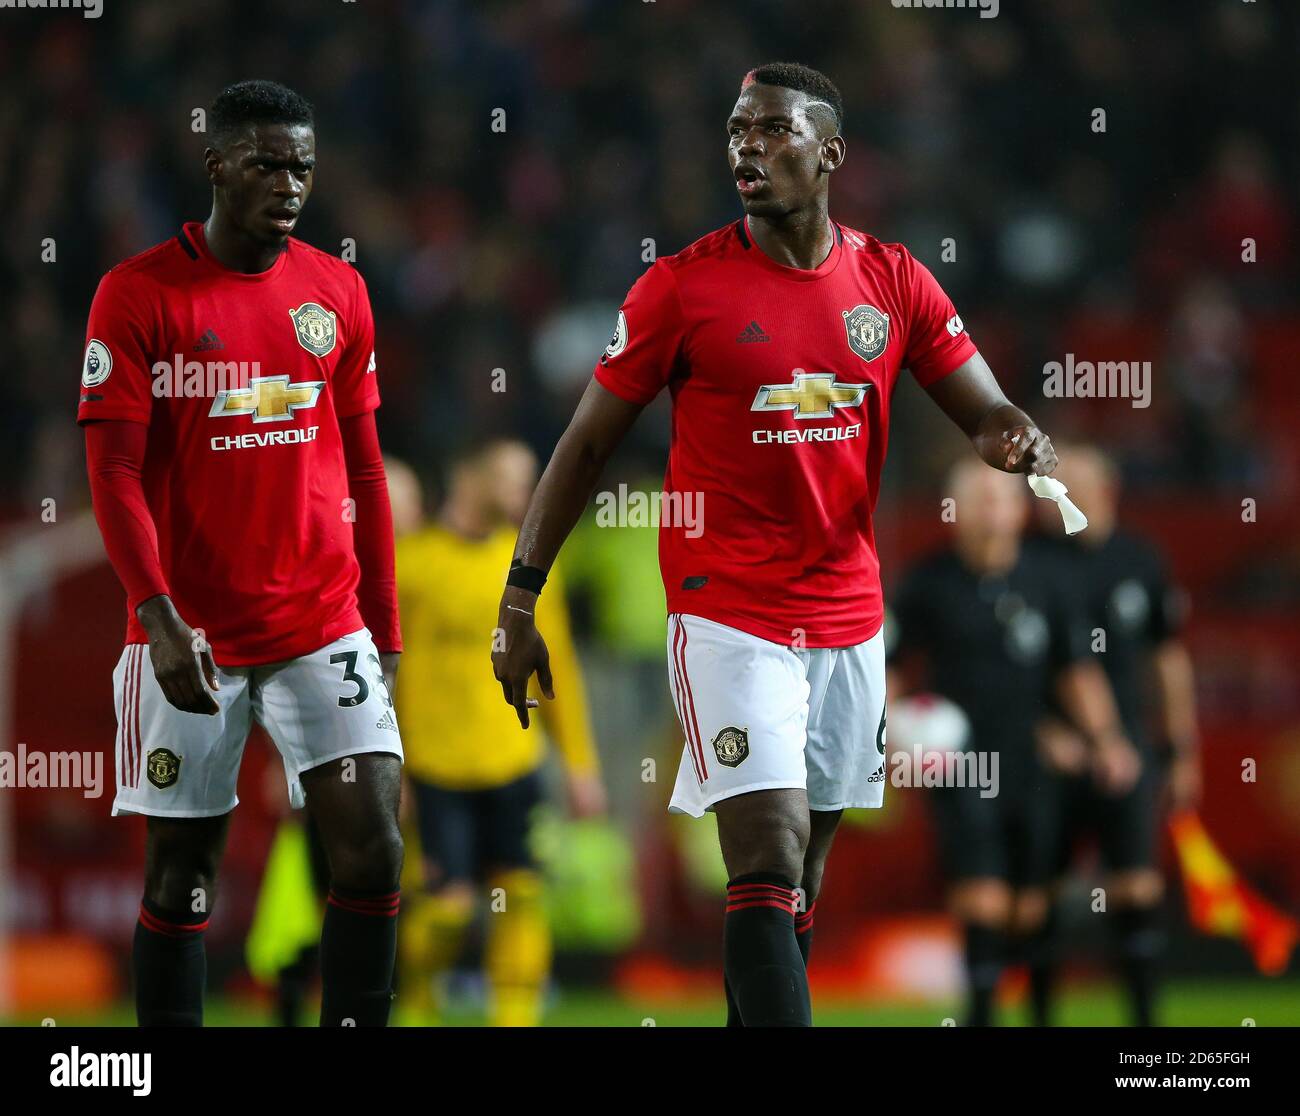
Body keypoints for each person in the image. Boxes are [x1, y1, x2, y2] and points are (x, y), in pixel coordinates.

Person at [494, 61, 1069, 1027]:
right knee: (765, 848)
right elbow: (586, 442)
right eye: (736, 133)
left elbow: (984, 408)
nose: (746, 150)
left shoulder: (893, 281)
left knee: (794, 880)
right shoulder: (682, 287)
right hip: (728, 609)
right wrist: (519, 598)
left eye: (771, 131)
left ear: (830, 151)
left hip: (848, 615)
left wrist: (1014, 433)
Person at [79, 80, 403, 1026]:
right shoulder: (136, 296)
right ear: (214, 164)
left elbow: (370, 476)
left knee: (374, 847)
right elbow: (113, 475)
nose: (289, 182)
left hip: (321, 622)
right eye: (265, 162)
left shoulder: (336, 291)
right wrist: (156, 616)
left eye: (302, 164)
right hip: (191, 635)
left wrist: (382, 631)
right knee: (184, 881)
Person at [886, 460, 1140, 1026]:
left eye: (997, 497)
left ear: (1020, 509)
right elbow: (890, 668)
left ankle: (1040, 1013)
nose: (988, 508)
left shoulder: (1048, 581)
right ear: (952, 512)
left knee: (1032, 905)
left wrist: (1106, 739)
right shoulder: (928, 583)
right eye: (975, 497)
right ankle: (981, 1016)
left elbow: (1075, 672)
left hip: (1034, 760)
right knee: (981, 896)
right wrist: (886, 735)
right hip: (962, 761)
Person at [397, 440, 605, 1026]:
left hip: (514, 762)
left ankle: (514, 1022)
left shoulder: (530, 569)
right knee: (448, 910)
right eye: (512, 480)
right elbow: (386, 677)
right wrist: (394, 766)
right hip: (436, 767)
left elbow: (557, 668)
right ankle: (415, 1003)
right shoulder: (412, 565)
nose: (527, 493)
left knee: (522, 898)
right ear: (468, 476)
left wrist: (580, 766)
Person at [1030, 443, 1201, 1026]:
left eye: (1072, 484)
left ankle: (1145, 1033)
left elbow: (1167, 659)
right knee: (1040, 895)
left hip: (1127, 748)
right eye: (1054, 485)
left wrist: (1180, 750)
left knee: (1136, 886)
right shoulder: (1031, 562)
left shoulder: (1140, 559)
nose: (1059, 496)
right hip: (1049, 753)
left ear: (1108, 490)